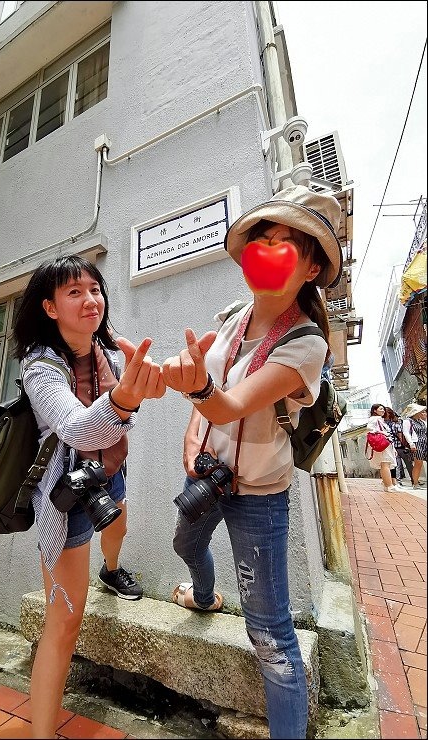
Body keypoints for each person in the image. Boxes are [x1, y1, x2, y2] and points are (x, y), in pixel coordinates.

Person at [162, 184, 343, 739]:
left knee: (269, 635)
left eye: (285, 243)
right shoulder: (233, 318)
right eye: (262, 241)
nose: (269, 251)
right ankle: (205, 596)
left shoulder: (307, 345)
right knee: (184, 544)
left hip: (260, 497)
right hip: (208, 478)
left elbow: (230, 402)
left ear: (311, 268)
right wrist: (192, 430)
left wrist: (196, 391)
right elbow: (209, 397)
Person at [12, 255, 165, 739]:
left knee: (119, 523)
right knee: (65, 621)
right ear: (50, 307)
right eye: (74, 292)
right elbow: (77, 428)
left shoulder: (109, 352)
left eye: (94, 289)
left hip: (109, 471)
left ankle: (111, 570)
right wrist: (126, 399)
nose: (90, 300)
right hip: (67, 494)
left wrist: (143, 391)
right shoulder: (40, 366)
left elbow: (126, 416)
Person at [366, 404, 400, 492]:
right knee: (385, 464)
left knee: (385, 464)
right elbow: (369, 428)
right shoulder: (375, 419)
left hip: (384, 444)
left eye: (383, 409)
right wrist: (383, 433)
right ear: (375, 410)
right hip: (382, 444)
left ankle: (387, 485)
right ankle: (389, 485)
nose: (383, 411)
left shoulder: (379, 419)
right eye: (380, 409)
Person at [383, 407, 414, 487]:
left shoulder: (385, 424)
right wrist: (406, 445)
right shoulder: (396, 424)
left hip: (392, 448)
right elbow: (400, 436)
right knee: (409, 465)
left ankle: (397, 481)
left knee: (396, 465)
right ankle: (414, 480)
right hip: (401, 447)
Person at [402, 403, 427, 489]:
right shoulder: (407, 421)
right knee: (418, 463)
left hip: (425, 441)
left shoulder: (421, 421)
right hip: (417, 443)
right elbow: (406, 433)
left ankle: (416, 483)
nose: (422, 413)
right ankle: (415, 483)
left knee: (419, 463)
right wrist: (411, 444)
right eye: (420, 411)